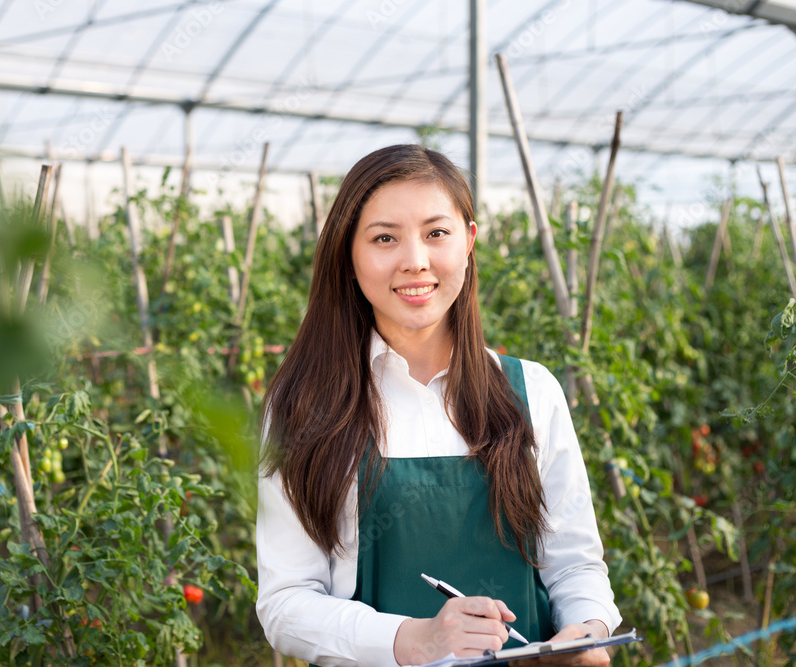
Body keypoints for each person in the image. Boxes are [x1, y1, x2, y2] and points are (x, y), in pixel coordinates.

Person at [256, 144, 620, 667]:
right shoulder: (307, 409)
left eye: (436, 233)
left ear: (469, 242)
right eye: (385, 238)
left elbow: (575, 565)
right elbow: (285, 604)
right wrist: (416, 639)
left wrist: (587, 630)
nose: (415, 261)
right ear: (349, 254)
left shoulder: (531, 392)